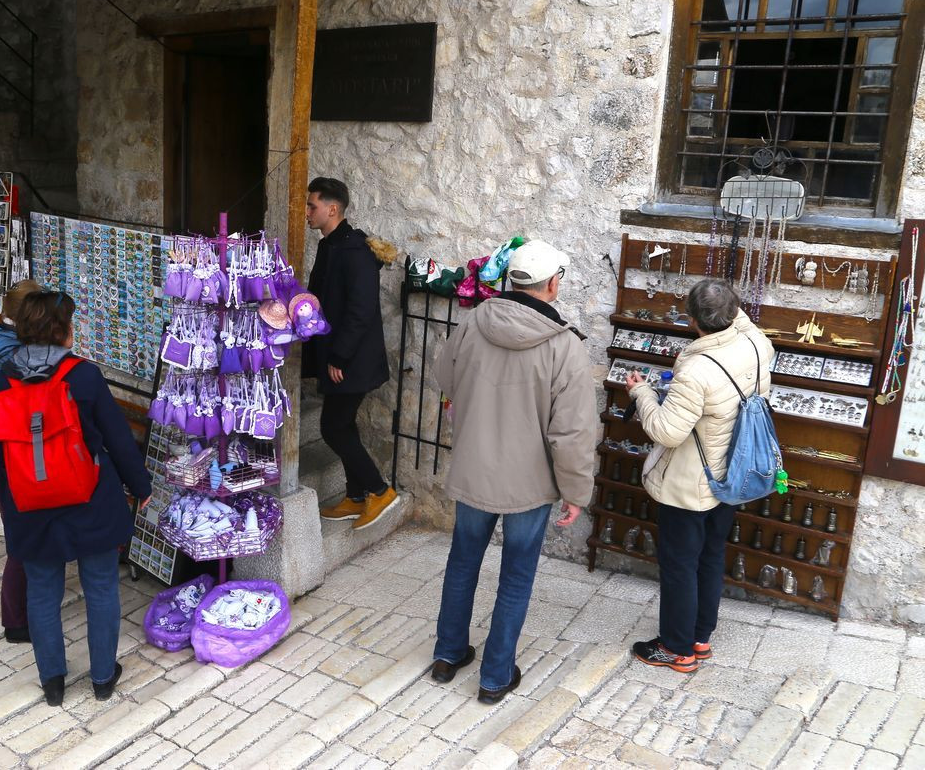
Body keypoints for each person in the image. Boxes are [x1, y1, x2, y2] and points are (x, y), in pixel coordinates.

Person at [430, 239, 595, 704]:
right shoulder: (564, 346)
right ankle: (495, 676)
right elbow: (573, 432)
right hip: (529, 482)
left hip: (475, 469)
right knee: (516, 576)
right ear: (553, 284)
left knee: (462, 562)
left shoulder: (473, 322)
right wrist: (576, 490)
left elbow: (445, 378)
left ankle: (447, 655)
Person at [0, 290, 152, 706]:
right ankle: (102, 677)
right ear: (61, 331)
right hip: (89, 498)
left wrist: (12, 503)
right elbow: (118, 439)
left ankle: (53, 682)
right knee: (101, 587)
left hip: (31, 504)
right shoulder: (84, 376)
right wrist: (141, 486)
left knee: (42, 592)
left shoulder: (1, 380)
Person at [625, 279, 773, 673]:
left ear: (692, 320)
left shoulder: (697, 369)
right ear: (734, 311)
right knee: (710, 555)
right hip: (731, 472)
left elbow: (667, 432)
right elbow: (739, 318)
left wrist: (641, 394)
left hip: (691, 482)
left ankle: (677, 648)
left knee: (680, 564)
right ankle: (700, 637)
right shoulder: (757, 343)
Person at [302, 177, 395, 530]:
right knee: (343, 425)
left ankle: (379, 491)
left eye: (312, 206)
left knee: (333, 427)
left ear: (332, 209)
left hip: (352, 360)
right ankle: (356, 497)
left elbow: (361, 310)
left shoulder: (354, 250)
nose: (307, 212)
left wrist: (339, 357)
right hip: (339, 355)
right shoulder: (331, 245)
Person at [0, 280, 44, 644]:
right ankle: (16, 620)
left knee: (24, 534)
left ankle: (25, 608)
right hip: (6, 458)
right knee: (23, 539)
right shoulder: (14, 356)